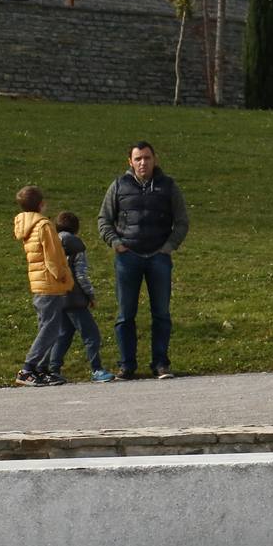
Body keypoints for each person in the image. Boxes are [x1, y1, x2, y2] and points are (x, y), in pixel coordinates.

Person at [97, 140, 189, 380]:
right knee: (125, 314)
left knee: (161, 313)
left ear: (154, 159)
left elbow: (181, 221)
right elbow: (104, 219)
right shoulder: (118, 185)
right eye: (138, 159)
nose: (143, 163)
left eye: (147, 158)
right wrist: (116, 244)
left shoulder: (168, 186)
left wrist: (169, 247)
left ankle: (160, 364)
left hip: (159, 257)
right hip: (128, 258)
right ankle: (127, 366)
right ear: (130, 162)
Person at [41, 212, 115, 383]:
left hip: (56, 296)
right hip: (74, 297)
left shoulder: (51, 243)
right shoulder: (76, 245)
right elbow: (80, 274)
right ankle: (96, 369)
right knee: (91, 334)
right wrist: (90, 295)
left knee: (64, 334)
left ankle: (53, 369)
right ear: (76, 228)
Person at [12, 186, 74, 387]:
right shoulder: (44, 225)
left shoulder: (26, 226)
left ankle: (41, 368)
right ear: (41, 204)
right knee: (50, 328)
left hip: (38, 283)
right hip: (49, 283)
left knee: (45, 326)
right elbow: (53, 256)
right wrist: (63, 276)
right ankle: (28, 368)